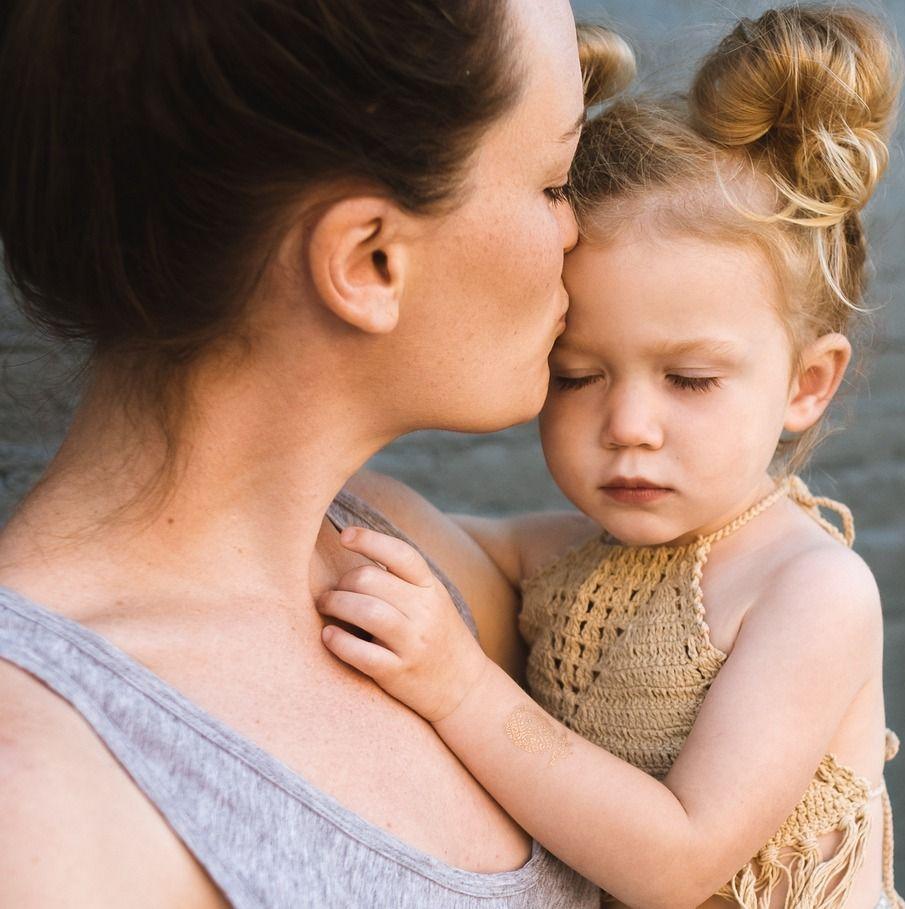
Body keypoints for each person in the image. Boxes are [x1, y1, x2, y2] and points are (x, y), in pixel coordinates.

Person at [0, 0, 608, 905]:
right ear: (369, 261)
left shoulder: (408, 557)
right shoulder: (43, 793)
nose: (579, 231)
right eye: (556, 183)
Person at [315, 7, 905, 908]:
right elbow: (389, 522)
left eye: (691, 379)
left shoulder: (808, 590)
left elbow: (679, 859)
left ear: (806, 383)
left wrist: (462, 688)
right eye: (578, 374)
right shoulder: (565, 559)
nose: (629, 422)